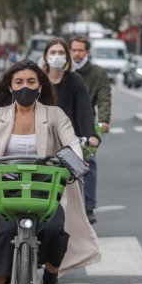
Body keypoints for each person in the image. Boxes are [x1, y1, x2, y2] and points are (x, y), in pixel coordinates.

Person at [0, 60, 100, 284]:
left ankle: (51, 279)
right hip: (8, 192)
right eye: (18, 83)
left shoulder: (54, 115)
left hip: (45, 191)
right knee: (3, 235)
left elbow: (71, 142)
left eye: (30, 82)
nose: (24, 87)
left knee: (54, 232)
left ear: (40, 86)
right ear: (10, 86)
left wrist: (75, 160)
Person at [42, 38, 100, 221]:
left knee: (81, 171)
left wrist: (91, 134)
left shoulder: (75, 80)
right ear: (45, 56)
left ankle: (84, 212)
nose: (56, 57)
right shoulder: (38, 80)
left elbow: (85, 110)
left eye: (61, 53)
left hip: (69, 142)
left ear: (67, 57)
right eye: (53, 53)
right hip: (42, 141)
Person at [69, 36, 111, 223]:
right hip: (63, 123)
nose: (77, 54)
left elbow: (104, 98)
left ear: (87, 52)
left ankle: (89, 207)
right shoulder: (64, 71)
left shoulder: (97, 73)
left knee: (88, 163)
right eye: (74, 50)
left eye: (80, 50)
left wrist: (103, 120)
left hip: (86, 124)